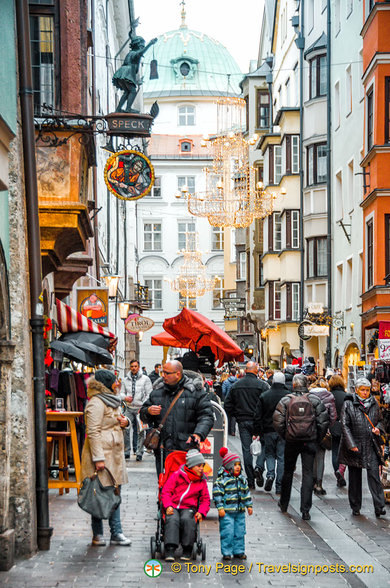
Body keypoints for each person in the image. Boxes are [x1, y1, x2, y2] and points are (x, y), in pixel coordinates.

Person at [80, 369, 131, 546]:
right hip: (103, 455)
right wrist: (98, 458)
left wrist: (126, 423)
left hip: (115, 454)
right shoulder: (96, 403)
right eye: (115, 381)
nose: (117, 384)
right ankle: (98, 534)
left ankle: (116, 532)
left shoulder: (111, 400)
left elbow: (119, 420)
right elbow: (92, 432)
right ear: (107, 384)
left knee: (115, 492)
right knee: (99, 493)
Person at [140, 361, 214, 475]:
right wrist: (148, 411)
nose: (163, 376)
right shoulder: (157, 392)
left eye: (166, 373)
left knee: (185, 484)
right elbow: (144, 415)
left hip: (186, 449)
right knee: (164, 485)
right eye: (162, 372)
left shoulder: (195, 392)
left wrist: (198, 433)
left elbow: (207, 416)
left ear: (178, 374)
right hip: (163, 449)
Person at [273, 374, 329, 521]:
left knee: (288, 472)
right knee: (308, 473)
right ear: (306, 384)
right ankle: (305, 509)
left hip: (291, 441)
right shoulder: (314, 400)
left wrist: (286, 435)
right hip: (309, 441)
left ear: (293, 385)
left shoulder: (286, 400)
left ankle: (284, 503)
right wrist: (317, 438)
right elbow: (323, 421)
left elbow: (277, 421)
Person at [338, 377, 386, 517]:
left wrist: (378, 428)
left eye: (367, 390)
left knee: (374, 476)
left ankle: (379, 506)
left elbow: (381, 421)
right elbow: (344, 425)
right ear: (357, 390)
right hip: (356, 445)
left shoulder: (374, 403)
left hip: (371, 444)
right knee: (354, 478)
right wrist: (351, 444)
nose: (365, 393)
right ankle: (355, 506)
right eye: (362, 390)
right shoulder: (348, 404)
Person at [224, 361, 269, 489]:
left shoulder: (236, 386)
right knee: (264, 445)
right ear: (256, 371)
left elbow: (227, 404)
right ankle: (259, 467)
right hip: (259, 421)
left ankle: (250, 480)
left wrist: (235, 415)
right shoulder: (263, 385)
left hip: (243, 420)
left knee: (246, 449)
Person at [162, 449, 210, 562]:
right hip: (173, 505)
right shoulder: (177, 475)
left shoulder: (201, 481)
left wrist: (202, 512)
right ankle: (170, 548)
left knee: (187, 519)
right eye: (198, 466)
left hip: (189, 507)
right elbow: (166, 491)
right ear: (191, 466)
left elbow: (205, 499)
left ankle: (187, 548)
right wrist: (168, 505)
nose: (201, 469)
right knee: (172, 519)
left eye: (202, 466)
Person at [213, 447, 253, 560]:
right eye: (235, 465)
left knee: (240, 532)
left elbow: (246, 493)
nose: (238, 467)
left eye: (239, 465)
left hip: (240, 511)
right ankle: (226, 551)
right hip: (227, 512)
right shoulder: (222, 480)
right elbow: (217, 494)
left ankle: (239, 551)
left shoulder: (242, 479)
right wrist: (220, 507)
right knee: (227, 532)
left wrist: (249, 505)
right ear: (229, 466)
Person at [253, 371, 288, 494]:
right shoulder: (288, 396)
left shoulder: (265, 395)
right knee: (282, 457)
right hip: (283, 431)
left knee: (269, 455)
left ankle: (270, 475)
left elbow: (258, 415)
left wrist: (257, 431)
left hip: (268, 430)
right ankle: (279, 486)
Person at [309, 383, 337, 495]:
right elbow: (333, 416)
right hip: (323, 430)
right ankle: (319, 485)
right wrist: (328, 425)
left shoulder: (308, 396)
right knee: (320, 457)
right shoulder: (329, 397)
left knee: (311, 457)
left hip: (310, 431)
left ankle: (312, 481)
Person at [122, 359, 153, 461]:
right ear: (130, 367)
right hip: (129, 408)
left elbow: (149, 394)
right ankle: (127, 451)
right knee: (125, 429)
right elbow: (121, 392)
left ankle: (139, 452)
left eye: (135, 366)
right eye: (132, 366)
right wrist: (125, 397)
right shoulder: (125, 379)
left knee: (140, 431)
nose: (133, 368)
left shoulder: (145, 379)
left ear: (138, 367)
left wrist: (144, 405)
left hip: (140, 409)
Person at [328, 375, 347, 487]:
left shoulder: (329, 396)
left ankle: (337, 472)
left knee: (335, 451)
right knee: (345, 451)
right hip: (345, 426)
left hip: (333, 426)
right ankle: (342, 471)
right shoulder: (346, 396)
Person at [222, 369, 238, 436]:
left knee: (227, 415)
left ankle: (228, 430)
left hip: (227, 401)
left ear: (230, 373)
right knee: (234, 416)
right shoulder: (238, 381)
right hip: (235, 401)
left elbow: (223, 391)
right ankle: (233, 431)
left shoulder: (226, 382)